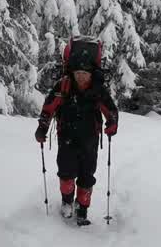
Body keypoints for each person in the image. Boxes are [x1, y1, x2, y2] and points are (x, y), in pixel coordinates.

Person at [35, 61, 118, 224]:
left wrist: (112, 124)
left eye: (85, 74)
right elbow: (48, 108)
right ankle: (67, 201)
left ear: (91, 75)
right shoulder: (64, 86)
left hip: (90, 139)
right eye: (78, 73)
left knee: (87, 175)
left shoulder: (97, 89)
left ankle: (82, 207)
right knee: (66, 173)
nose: (81, 76)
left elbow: (111, 110)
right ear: (72, 73)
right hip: (66, 137)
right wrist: (42, 128)